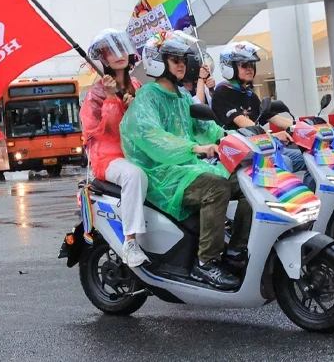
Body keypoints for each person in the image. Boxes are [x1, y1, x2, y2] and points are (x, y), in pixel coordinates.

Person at [120, 30, 250, 290]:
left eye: (183, 59)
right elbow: (154, 139)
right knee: (217, 187)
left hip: (188, 169)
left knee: (249, 181)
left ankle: (235, 252)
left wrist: (241, 137)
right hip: (163, 174)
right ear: (157, 61)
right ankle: (207, 263)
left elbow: (206, 129)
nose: (182, 64)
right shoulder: (147, 97)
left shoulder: (181, 98)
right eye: (174, 59)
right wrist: (197, 148)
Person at [80, 29, 149, 268]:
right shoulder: (95, 94)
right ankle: (130, 242)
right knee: (133, 175)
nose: (119, 55)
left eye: (122, 48)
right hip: (108, 157)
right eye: (111, 51)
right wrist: (111, 100)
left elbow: (147, 124)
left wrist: (135, 108)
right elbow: (97, 132)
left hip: (138, 152)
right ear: (103, 59)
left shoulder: (138, 85)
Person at [212, 42, 307, 174]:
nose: (249, 68)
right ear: (229, 66)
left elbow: (276, 118)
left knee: (307, 157)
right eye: (244, 65)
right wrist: (271, 136)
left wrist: (306, 128)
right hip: (240, 154)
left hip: (260, 149)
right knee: (286, 161)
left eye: (252, 64)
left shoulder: (249, 94)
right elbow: (242, 122)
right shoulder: (222, 93)